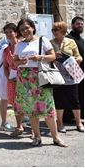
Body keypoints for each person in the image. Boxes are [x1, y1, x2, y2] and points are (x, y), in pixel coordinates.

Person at [13, 18, 67, 147]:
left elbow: (52, 56)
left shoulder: (43, 40)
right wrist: (21, 62)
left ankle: (56, 137)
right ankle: (37, 137)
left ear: (32, 27)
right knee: (32, 109)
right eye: (22, 29)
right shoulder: (19, 44)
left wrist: (40, 58)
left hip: (40, 77)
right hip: (25, 79)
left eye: (27, 28)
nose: (25, 31)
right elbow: (14, 62)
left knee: (48, 107)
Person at [50, 21, 84, 133]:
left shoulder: (71, 42)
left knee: (75, 99)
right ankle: (60, 123)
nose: (54, 32)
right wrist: (54, 56)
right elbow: (47, 58)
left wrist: (78, 59)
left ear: (62, 30)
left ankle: (78, 123)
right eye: (53, 30)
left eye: (56, 30)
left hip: (70, 74)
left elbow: (78, 56)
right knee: (59, 100)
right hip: (57, 75)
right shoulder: (51, 43)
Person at [66, 17, 84, 120]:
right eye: (78, 24)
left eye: (81, 24)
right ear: (72, 25)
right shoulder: (69, 39)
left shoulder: (81, 39)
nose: (80, 25)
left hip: (82, 72)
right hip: (73, 73)